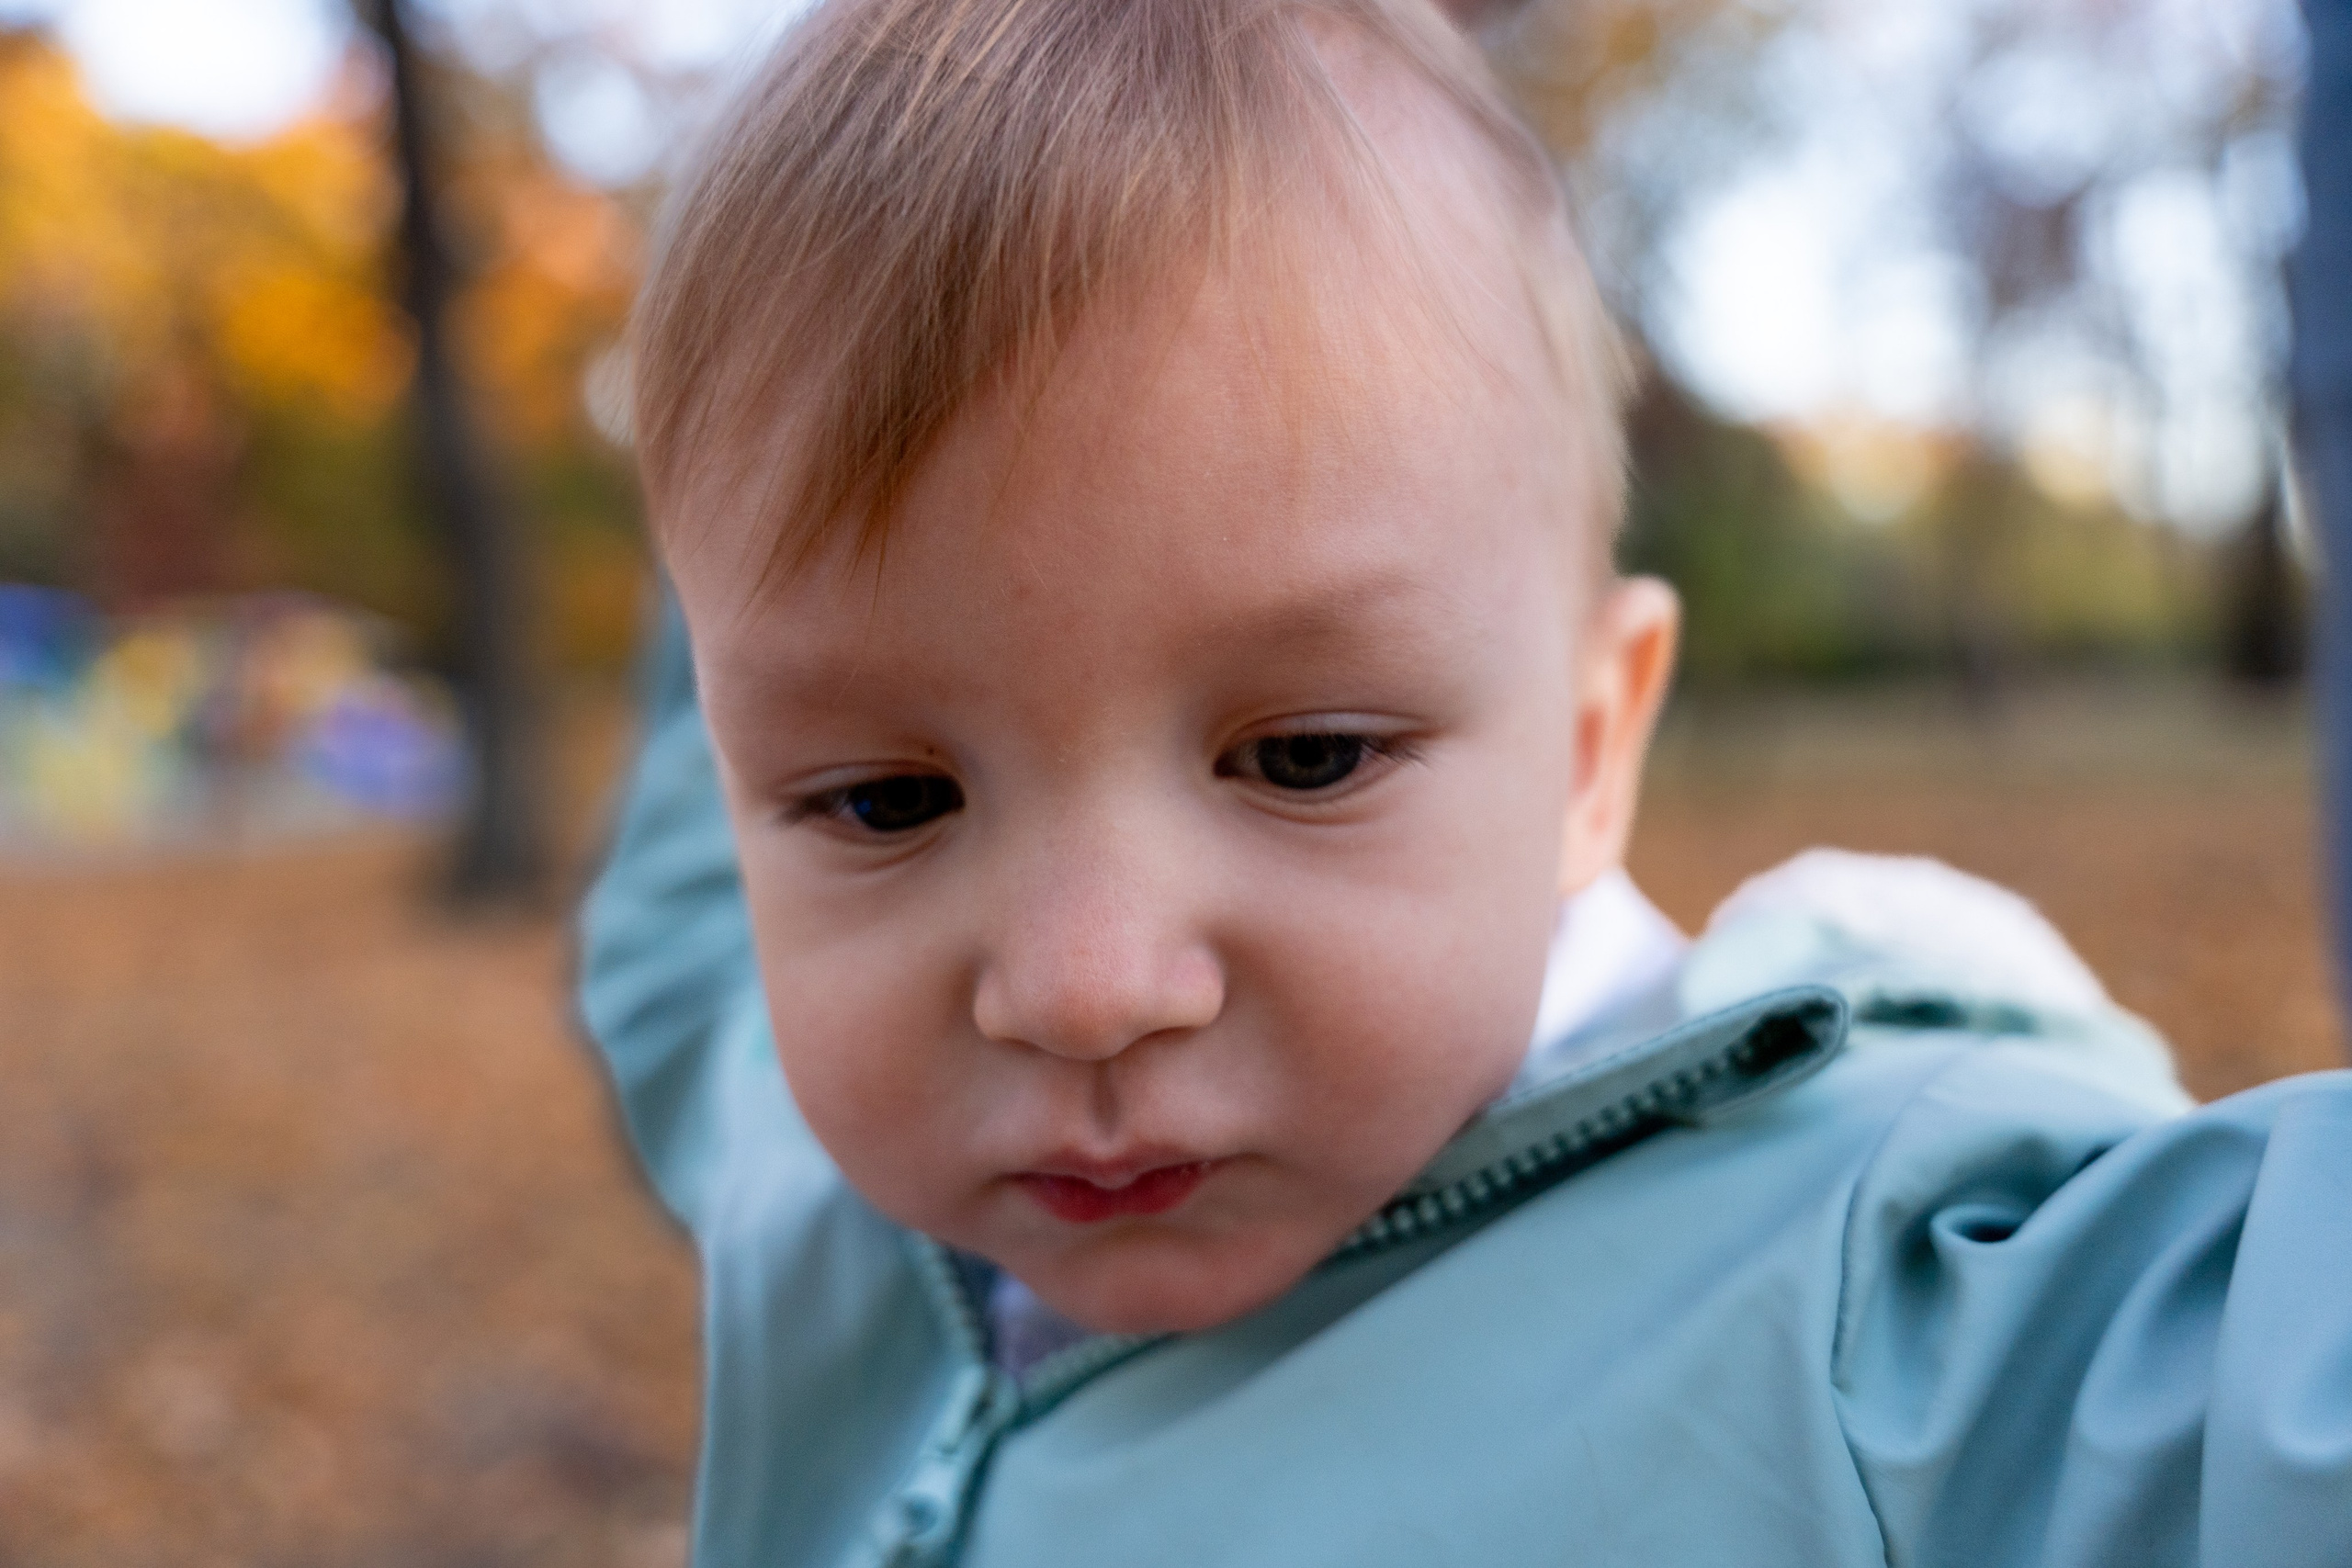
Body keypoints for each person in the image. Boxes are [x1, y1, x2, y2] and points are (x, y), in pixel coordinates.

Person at [578, 1, 2352, 1562]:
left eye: (1303, 757)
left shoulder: (1915, 1325)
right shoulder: (815, 1179)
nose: (1080, 991)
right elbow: (680, 955)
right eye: (889, 799)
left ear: (1593, 746)